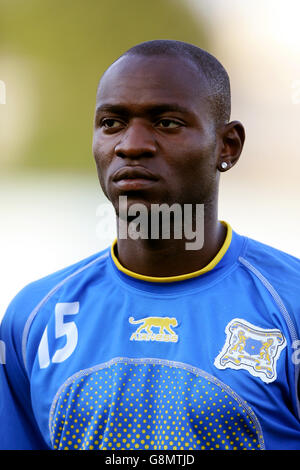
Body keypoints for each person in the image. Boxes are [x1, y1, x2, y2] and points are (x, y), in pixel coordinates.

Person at [0, 39, 300, 451]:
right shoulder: (33, 316)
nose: (131, 144)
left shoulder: (289, 304)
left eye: (166, 122)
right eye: (112, 123)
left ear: (227, 146)